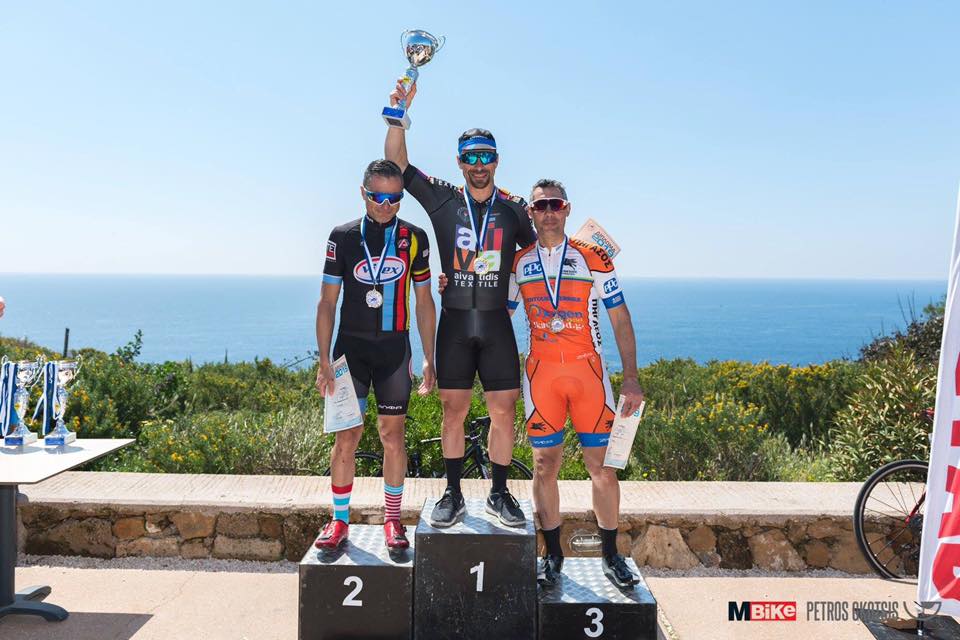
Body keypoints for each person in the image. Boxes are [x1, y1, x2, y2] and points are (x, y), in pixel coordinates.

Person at [385, 82, 536, 528]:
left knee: (503, 411)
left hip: (495, 324)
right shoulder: (444, 198)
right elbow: (397, 166)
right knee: (453, 411)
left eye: (485, 156)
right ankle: (452, 494)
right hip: (454, 323)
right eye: (470, 157)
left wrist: (518, 294)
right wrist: (398, 115)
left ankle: (498, 493)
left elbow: (538, 253)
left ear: (497, 160)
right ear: (459, 162)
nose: (478, 165)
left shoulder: (515, 209)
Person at [508, 179, 645, 588]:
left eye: (556, 204)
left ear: (567, 209)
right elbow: (498, 313)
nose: (549, 212)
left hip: (589, 376)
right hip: (541, 377)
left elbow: (620, 316)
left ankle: (611, 555)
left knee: (602, 469)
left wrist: (632, 378)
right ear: (531, 213)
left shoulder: (593, 257)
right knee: (544, 466)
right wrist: (453, 291)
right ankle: (552, 556)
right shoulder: (518, 262)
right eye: (540, 205)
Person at [314, 159, 437, 550]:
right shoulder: (343, 237)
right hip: (349, 350)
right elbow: (327, 302)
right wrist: (323, 360)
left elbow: (424, 302)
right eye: (377, 197)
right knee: (346, 437)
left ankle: (393, 520)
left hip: (393, 350)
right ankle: (339, 520)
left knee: (392, 436)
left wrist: (430, 356)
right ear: (362, 193)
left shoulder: (415, 237)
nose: (386, 205)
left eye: (394, 198)